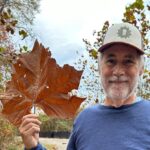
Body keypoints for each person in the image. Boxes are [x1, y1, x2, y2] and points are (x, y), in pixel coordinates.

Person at [19, 22, 150, 150]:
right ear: (100, 68)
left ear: (141, 69)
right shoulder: (84, 120)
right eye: (111, 61)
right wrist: (34, 147)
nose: (118, 71)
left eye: (128, 61)